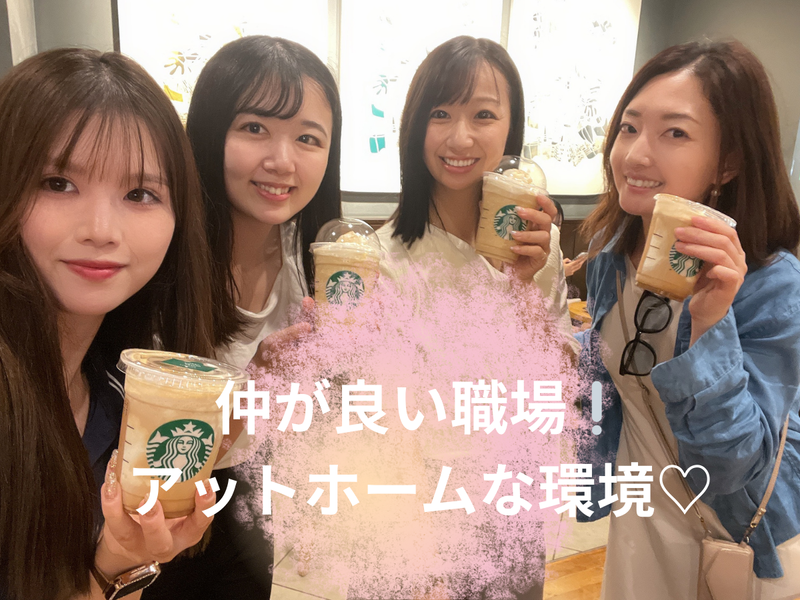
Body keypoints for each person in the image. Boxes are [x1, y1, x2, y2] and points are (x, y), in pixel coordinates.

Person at [578, 40, 800, 599]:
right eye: (629, 127)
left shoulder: (772, 285)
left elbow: (731, 467)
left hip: (731, 539)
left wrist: (710, 322)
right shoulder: (610, 254)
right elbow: (617, 375)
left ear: (729, 162)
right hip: (640, 519)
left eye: (674, 133)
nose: (635, 154)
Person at [0, 48, 218, 600]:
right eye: (57, 183)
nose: (101, 229)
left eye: (140, 194)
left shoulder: (115, 397)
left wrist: (121, 560)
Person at [377, 35, 576, 352]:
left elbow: (564, 377)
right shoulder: (382, 260)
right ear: (415, 125)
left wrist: (524, 288)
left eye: (484, 115)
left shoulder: (539, 246)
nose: (460, 139)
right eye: (440, 114)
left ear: (511, 126)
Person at [186, 35, 342, 372]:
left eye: (307, 138)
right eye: (255, 128)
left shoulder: (319, 267)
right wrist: (256, 384)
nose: (282, 163)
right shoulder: (162, 263)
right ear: (209, 133)